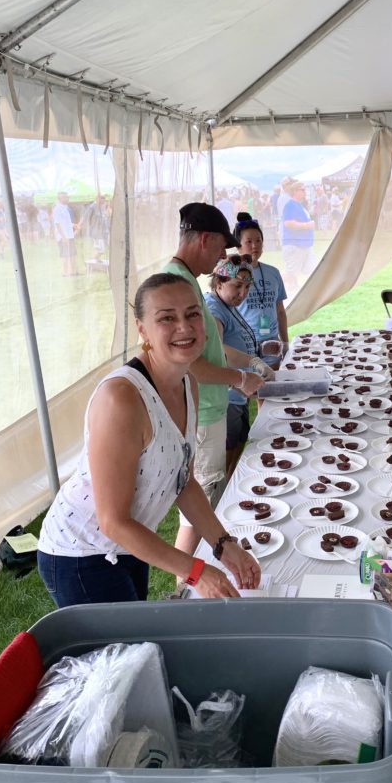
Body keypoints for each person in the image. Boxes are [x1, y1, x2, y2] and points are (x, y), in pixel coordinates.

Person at [37, 272, 260, 605]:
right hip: (80, 554)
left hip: (131, 544)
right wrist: (196, 571)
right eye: (167, 318)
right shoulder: (121, 398)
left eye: (192, 314)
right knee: (125, 654)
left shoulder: (188, 384)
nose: (184, 328)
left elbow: (183, 482)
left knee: (139, 646)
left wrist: (224, 545)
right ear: (142, 329)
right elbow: (112, 521)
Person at [162, 203, 271, 557]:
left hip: (207, 408)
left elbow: (210, 351)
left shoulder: (185, 282)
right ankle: (186, 583)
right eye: (221, 248)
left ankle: (198, 571)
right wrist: (240, 378)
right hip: (201, 412)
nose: (222, 256)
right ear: (205, 239)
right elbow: (190, 363)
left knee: (204, 498)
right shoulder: (178, 286)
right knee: (199, 505)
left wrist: (247, 365)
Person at [205, 256, 261, 477]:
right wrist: (251, 363)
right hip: (228, 395)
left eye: (247, 287)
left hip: (239, 392)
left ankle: (231, 484)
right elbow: (218, 351)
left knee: (238, 446)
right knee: (225, 457)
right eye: (237, 286)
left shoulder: (228, 305)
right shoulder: (214, 308)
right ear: (219, 283)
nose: (243, 293)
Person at [235, 212, 289, 362]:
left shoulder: (273, 273)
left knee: (274, 382)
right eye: (249, 242)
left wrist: (285, 344)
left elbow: (280, 311)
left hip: (272, 345)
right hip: (244, 347)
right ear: (238, 246)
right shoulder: (232, 275)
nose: (255, 246)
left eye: (258, 241)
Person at [281, 181, 316, 297]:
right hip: (294, 245)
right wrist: (307, 225)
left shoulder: (299, 205)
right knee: (291, 274)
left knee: (311, 268)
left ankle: (310, 291)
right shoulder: (290, 205)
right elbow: (288, 223)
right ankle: (271, 282)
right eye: (303, 189)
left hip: (304, 245)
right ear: (295, 191)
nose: (305, 192)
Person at [53, 191, 77, 275]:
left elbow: (65, 223)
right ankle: (65, 273)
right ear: (60, 199)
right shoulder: (57, 209)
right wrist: (63, 237)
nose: (67, 198)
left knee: (72, 253)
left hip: (70, 235)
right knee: (65, 255)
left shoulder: (65, 208)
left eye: (67, 196)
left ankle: (73, 272)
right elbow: (57, 223)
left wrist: (73, 225)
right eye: (65, 197)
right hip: (63, 237)